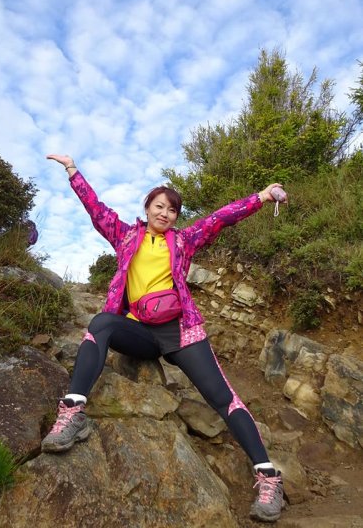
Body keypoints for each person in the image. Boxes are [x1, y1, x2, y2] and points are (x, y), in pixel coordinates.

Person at [42, 154, 286, 523]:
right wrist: (73, 171)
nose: (166, 214)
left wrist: (263, 196)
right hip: (138, 331)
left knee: (222, 397)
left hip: (180, 332)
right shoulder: (125, 235)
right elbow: (95, 207)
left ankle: (268, 477)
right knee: (101, 323)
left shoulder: (184, 241)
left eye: (172, 210)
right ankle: (72, 413)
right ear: (147, 207)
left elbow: (220, 217)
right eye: (159, 206)